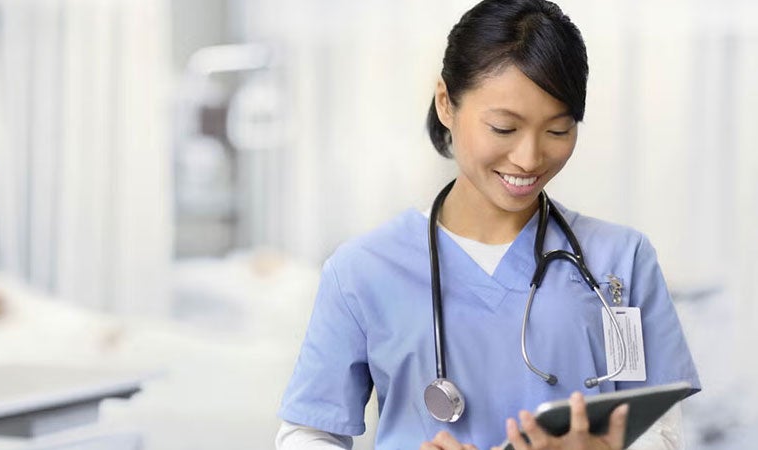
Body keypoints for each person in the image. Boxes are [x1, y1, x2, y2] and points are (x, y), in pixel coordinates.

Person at [275, 0, 701, 449]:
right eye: (503, 128)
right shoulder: (363, 270)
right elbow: (308, 431)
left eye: (558, 130)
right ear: (446, 103)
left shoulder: (621, 260)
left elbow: (661, 429)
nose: (529, 158)